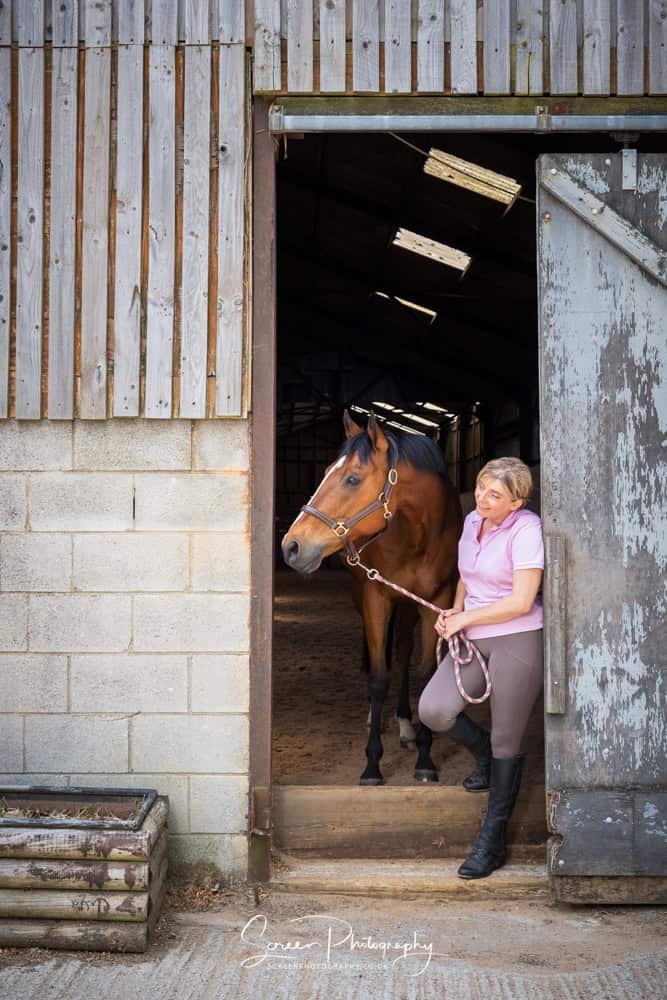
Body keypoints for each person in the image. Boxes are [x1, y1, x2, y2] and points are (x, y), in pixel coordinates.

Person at [418, 457, 544, 879]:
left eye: (495, 494)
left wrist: (466, 620)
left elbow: (522, 600)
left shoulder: (527, 530)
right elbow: (466, 577)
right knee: (433, 709)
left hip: (516, 636)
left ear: (517, 501)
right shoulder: (473, 521)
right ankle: (483, 759)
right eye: (480, 488)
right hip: (472, 630)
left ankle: (492, 840)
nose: (483, 499)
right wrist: (451, 614)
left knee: (507, 739)